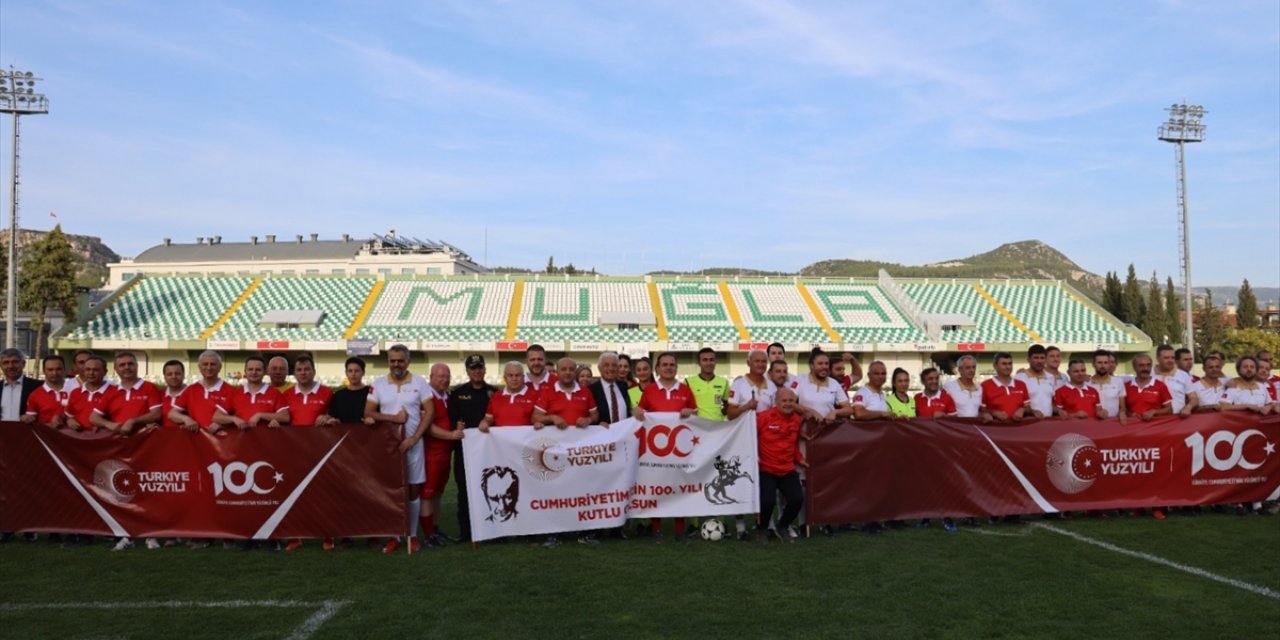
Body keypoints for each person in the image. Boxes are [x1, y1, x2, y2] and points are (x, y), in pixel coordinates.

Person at [366, 344, 432, 554]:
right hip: (389, 448)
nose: (396, 364)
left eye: (400, 360)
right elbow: (368, 412)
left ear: (408, 361)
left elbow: (429, 413)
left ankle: (411, 536)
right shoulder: (378, 384)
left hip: (413, 445)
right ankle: (395, 535)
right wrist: (393, 419)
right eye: (393, 360)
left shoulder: (420, 383)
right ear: (388, 362)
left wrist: (414, 438)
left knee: (413, 490)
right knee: (392, 491)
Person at [531, 358, 598, 549]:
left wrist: (588, 419)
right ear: (557, 372)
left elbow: (595, 415)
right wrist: (552, 417)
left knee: (583, 490)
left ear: (575, 372)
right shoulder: (548, 391)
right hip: (555, 452)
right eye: (564, 369)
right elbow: (535, 416)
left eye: (571, 369)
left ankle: (586, 531)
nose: (567, 372)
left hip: (580, 453)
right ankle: (555, 533)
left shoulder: (585, 392)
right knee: (557, 491)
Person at [633, 352, 697, 541]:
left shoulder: (685, 390)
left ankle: (679, 529)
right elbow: (640, 413)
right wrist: (636, 411)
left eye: (672, 364)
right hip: (656, 451)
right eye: (665, 364)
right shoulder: (650, 390)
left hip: (680, 448)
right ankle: (657, 528)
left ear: (676, 368)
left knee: (680, 486)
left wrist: (690, 412)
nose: (669, 367)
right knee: (656, 487)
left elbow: (695, 413)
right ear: (658, 369)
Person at [448, 354, 497, 542]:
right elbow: (453, 420)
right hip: (465, 451)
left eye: (480, 367)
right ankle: (466, 532)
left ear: (485, 369)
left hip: (489, 451)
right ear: (467, 371)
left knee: (491, 489)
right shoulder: (458, 393)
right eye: (473, 368)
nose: (477, 371)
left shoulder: (494, 392)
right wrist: (457, 427)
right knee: (465, 491)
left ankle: (492, 530)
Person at [754, 388, 806, 543]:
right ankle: (762, 530)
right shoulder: (763, 417)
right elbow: (750, 438)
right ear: (776, 402)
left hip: (787, 468)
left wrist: (800, 459)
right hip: (766, 468)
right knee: (767, 501)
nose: (788, 404)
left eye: (791, 401)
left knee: (797, 499)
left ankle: (783, 525)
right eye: (784, 401)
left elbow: (794, 442)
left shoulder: (797, 420)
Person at [421, 363, 464, 548]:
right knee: (427, 495)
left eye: (447, 376)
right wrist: (451, 435)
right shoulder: (426, 397)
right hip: (431, 454)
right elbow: (427, 427)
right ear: (431, 376)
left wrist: (457, 429)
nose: (444, 380)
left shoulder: (448, 396)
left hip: (445, 454)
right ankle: (428, 535)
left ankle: (435, 530)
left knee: (438, 494)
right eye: (440, 376)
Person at [92, 352, 163, 436]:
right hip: (118, 440)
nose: (127, 367)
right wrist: (108, 424)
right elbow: (94, 417)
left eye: (130, 364)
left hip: (144, 440)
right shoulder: (111, 391)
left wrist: (133, 421)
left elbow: (156, 414)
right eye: (122, 365)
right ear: (116, 369)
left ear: (137, 366)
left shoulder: (150, 387)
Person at [213, 355, 286, 432]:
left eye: (258, 370)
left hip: (266, 441)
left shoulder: (274, 393)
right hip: (241, 441)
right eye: (250, 369)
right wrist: (233, 419)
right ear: (245, 371)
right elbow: (217, 417)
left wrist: (260, 415)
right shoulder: (235, 393)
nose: (254, 372)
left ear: (265, 372)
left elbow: (285, 416)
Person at [795, 349, 853, 425]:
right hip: (806, 428)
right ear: (812, 365)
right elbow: (790, 403)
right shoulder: (800, 379)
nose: (824, 366)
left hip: (828, 430)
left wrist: (835, 412)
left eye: (826, 364)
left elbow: (849, 409)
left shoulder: (834, 383)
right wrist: (809, 411)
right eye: (820, 364)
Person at [479, 362, 539, 431]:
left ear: (523, 377)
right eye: (510, 375)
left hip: (525, 440)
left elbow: (539, 419)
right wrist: (485, 423)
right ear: (505, 378)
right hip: (500, 441)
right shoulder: (496, 396)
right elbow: (488, 418)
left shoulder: (535, 396)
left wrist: (539, 423)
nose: (514, 378)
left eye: (517, 375)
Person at [282, 355, 336, 428]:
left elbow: (336, 417)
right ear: (294, 373)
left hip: (319, 438)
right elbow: (283, 419)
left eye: (306, 369)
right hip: (294, 438)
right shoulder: (287, 394)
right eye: (299, 370)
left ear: (314, 372)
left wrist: (327, 417)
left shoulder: (328, 392)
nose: (303, 373)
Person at [64, 355, 116, 432]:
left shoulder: (115, 392)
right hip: (79, 439)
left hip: (105, 440)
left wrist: (103, 425)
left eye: (96, 370)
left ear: (105, 372)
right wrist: (70, 421)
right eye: (88, 369)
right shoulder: (75, 393)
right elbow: (69, 416)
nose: (91, 373)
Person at [1118, 354, 1173, 425]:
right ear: (1134, 367)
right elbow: (1122, 409)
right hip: (1132, 427)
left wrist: (1154, 412)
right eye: (1141, 365)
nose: (1146, 368)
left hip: (1154, 428)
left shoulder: (1160, 385)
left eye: (1148, 365)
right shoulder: (1126, 386)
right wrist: (1129, 414)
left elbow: (1169, 409)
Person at [980, 352, 1031, 423]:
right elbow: (981, 409)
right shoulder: (985, 386)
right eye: (1004, 364)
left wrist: (1022, 410)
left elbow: (1028, 408)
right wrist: (994, 412)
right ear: (995, 366)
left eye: (1010, 363)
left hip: (1019, 429)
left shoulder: (1021, 384)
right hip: (996, 430)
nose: (1008, 367)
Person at [21, 355, 70, 427]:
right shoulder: (35, 395)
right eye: (50, 370)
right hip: (46, 437)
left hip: (74, 437)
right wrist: (24, 418)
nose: (54, 373)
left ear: (64, 369)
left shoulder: (76, 390)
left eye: (58, 369)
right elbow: (31, 422)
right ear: (44, 371)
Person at [686, 348, 730, 421]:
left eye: (711, 360)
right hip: (696, 426)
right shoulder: (688, 382)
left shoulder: (724, 382)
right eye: (705, 360)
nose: (709, 363)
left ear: (715, 361)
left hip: (717, 426)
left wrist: (719, 413)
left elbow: (728, 405)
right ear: (699, 363)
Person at [1015, 344, 1058, 419]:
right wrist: (1032, 412)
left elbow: (1051, 402)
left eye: (1042, 358)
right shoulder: (1019, 378)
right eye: (1036, 358)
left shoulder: (1051, 377)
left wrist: (1059, 411)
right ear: (1028, 359)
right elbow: (1016, 404)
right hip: (1028, 423)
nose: (1039, 361)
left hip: (1048, 423)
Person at [727, 350, 771, 420]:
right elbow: (730, 415)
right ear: (748, 363)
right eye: (757, 361)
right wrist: (746, 407)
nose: (760, 364)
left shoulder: (772, 385)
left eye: (763, 361)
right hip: (745, 429)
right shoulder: (738, 384)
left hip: (765, 430)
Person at [589, 352, 632, 425]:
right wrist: (597, 425)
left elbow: (631, 410)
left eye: (614, 365)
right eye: (606, 365)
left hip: (624, 434)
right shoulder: (591, 390)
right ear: (599, 368)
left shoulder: (624, 386)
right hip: (603, 434)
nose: (611, 368)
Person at [329, 357, 375, 425]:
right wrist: (334, 421)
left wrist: (372, 420)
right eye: (350, 371)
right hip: (344, 434)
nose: (353, 374)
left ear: (363, 372)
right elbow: (334, 417)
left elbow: (378, 414)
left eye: (357, 371)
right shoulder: (338, 395)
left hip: (367, 433)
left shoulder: (372, 392)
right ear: (346, 373)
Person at [0, 348, 41, 423]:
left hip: (27, 432)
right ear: (1, 366)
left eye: (15, 362)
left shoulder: (37, 387)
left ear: (23, 364)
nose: (10, 366)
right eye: (6, 363)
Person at [1153, 344, 1193, 416]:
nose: (1170, 360)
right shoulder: (1149, 374)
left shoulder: (1183, 375)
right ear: (1157, 358)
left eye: (1172, 358)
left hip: (1177, 420)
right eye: (1166, 358)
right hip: (1153, 420)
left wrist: (1188, 407)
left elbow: (1194, 397)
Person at [1090, 349, 1128, 419]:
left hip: (1112, 425)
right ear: (1093, 364)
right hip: (1092, 423)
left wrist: (1122, 413)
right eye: (1099, 362)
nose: (1103, 366)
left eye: (1105, 362)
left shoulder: (1118, 382)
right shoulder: (1086, 383)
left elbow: (1122, 407)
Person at [158, 360, 188, 431]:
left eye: (177, 373)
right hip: (164, 439)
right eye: (169, 374)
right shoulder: (159, 395)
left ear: (183, 375)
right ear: (164, 377)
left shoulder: (193, 394)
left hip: (187, 439)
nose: (173, 376)